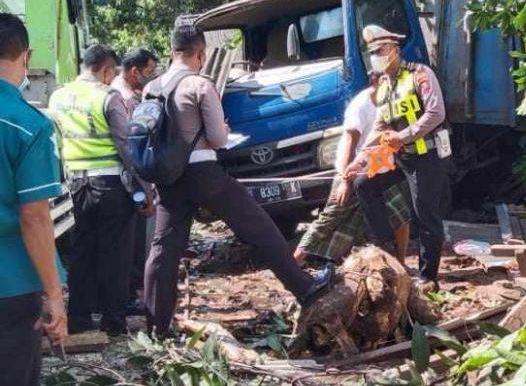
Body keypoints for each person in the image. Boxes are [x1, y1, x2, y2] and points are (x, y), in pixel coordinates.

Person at [143, 24, 330, 337]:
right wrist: (225, 131)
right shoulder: (199, 85)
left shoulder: (154, 87)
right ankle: (305, 287)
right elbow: (216, 138)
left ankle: (157, 327)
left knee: (163, 249)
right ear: (200, 54)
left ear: (172, 50)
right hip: (204, 173)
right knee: (259, 227)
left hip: (168, 178)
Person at [49, 44, 151, 335]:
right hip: (112, 185)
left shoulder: (58, 96)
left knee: (83, 250)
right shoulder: (108, 97)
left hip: (77, 183)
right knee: (115, 253)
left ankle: (79, 318)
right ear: (107, 71)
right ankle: (113, 321)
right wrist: (145, 191)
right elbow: (125, 146)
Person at [0, 13, 67, 386]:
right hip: (10, 284)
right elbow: (35, 217)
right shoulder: (27, 125)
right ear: (26, 57)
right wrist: (55, 296)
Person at [346, 25, 450, 291]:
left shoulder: (420, 75)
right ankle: (387, 248)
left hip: (428, 155)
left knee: (425, 213)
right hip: (402, 156)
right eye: (371, 52)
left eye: (380, 50)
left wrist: (403, 136)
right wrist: (360, 158)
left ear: (394, 49)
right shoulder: (383, 86)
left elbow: (436, 113)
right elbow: (380, 127)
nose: (376, 56)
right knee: (363, 184)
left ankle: (429, 278)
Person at [293, 70, 412, 268]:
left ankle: (400, 264)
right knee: (329, 220)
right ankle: (293, 263)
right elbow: (350, 145)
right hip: (351, 170)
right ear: (377, 82)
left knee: (401, 216)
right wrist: (345, 182)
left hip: (378, 170)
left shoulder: (391, 102)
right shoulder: (360, 106)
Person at [111, 47, 160, 316]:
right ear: (134, 71)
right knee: (132, 243)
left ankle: (127, 294)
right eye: (149, 71)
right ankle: (129, 297)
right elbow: (130, 147)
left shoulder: (119, 93)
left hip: (120, 178)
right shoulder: (126, 99)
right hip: (130, 180)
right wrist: (145, 190)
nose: (150, 77)